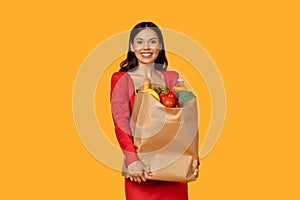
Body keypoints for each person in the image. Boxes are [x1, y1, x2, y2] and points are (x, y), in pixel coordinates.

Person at [110, 22, 190, 200]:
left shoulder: (173, 78)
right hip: (140, 169)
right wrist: (132, 159)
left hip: (171, 166)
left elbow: (183, 121)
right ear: (132, 47)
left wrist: (190, 157)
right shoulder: (121, 78)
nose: (146, 47)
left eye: (152, 41)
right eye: (139, 42)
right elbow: (120, 120)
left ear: (160, 46)